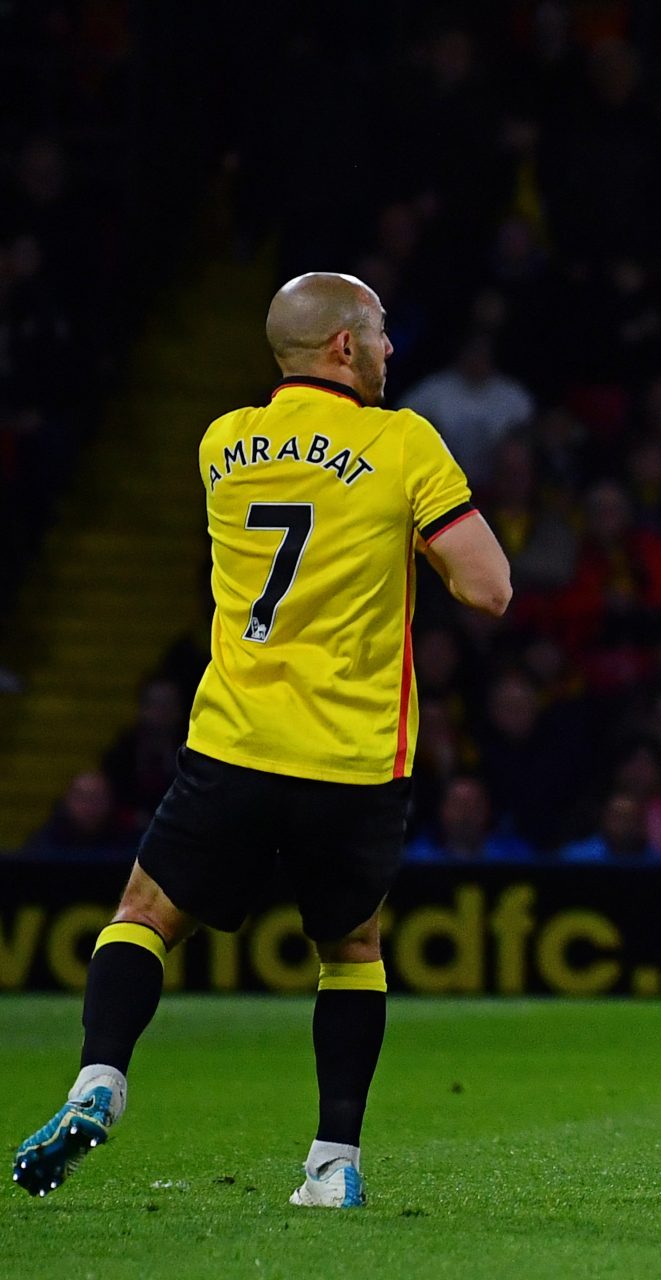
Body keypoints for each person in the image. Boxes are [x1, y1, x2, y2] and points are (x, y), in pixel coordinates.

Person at [10, 273, 511, 1208]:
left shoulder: (222, 443)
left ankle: (99, 1083)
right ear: (343, 350)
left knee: (147, 913)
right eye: (382, 335)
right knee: (351, 947)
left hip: (235, 744)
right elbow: (489, 589)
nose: (393, 351)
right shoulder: (403, 443)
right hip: (355, 758)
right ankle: (331, 1164)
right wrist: (410, 541)